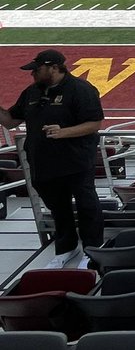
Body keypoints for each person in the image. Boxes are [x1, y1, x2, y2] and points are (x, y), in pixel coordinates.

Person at [0, 49, 105, 269]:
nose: (32, 74)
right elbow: (10, 122)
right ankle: (66, 247)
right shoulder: (32, 92)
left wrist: (63, 132)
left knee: (87, 205)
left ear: (54, 68)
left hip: (75, 160)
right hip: (43, 161)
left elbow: (95, 123)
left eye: (36, 70)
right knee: (58, 208)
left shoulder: (81, 89)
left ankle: (92, 249)